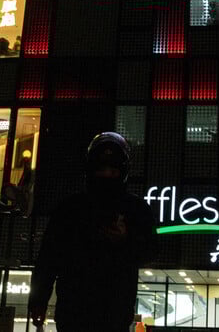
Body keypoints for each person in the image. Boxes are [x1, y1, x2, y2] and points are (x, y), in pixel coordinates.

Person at [28, 132, 159, 331]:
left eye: (112, 171)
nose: (107, 175)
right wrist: (38, 299)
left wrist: (126, 240)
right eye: (102, 170)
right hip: (90, 309)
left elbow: (47, 258)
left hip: (100, 309)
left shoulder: (71, 207)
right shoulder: (134, 208)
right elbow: (49, 257)